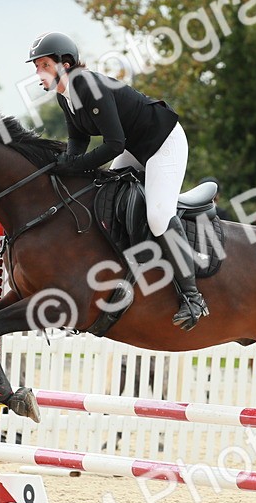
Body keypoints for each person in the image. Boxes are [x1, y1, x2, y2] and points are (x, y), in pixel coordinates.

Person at [27, 31, 208, 330]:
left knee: (159, 214)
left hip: (163, 143)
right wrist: (66, 165)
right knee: (106, 196)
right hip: (135, 147)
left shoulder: (87, 85)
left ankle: (193, 297)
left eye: (44, 64)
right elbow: (78, 139)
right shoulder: (65, 95)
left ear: (66, 64)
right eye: (36, 66)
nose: (38, 72)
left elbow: (113, 144)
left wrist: (72, 167)